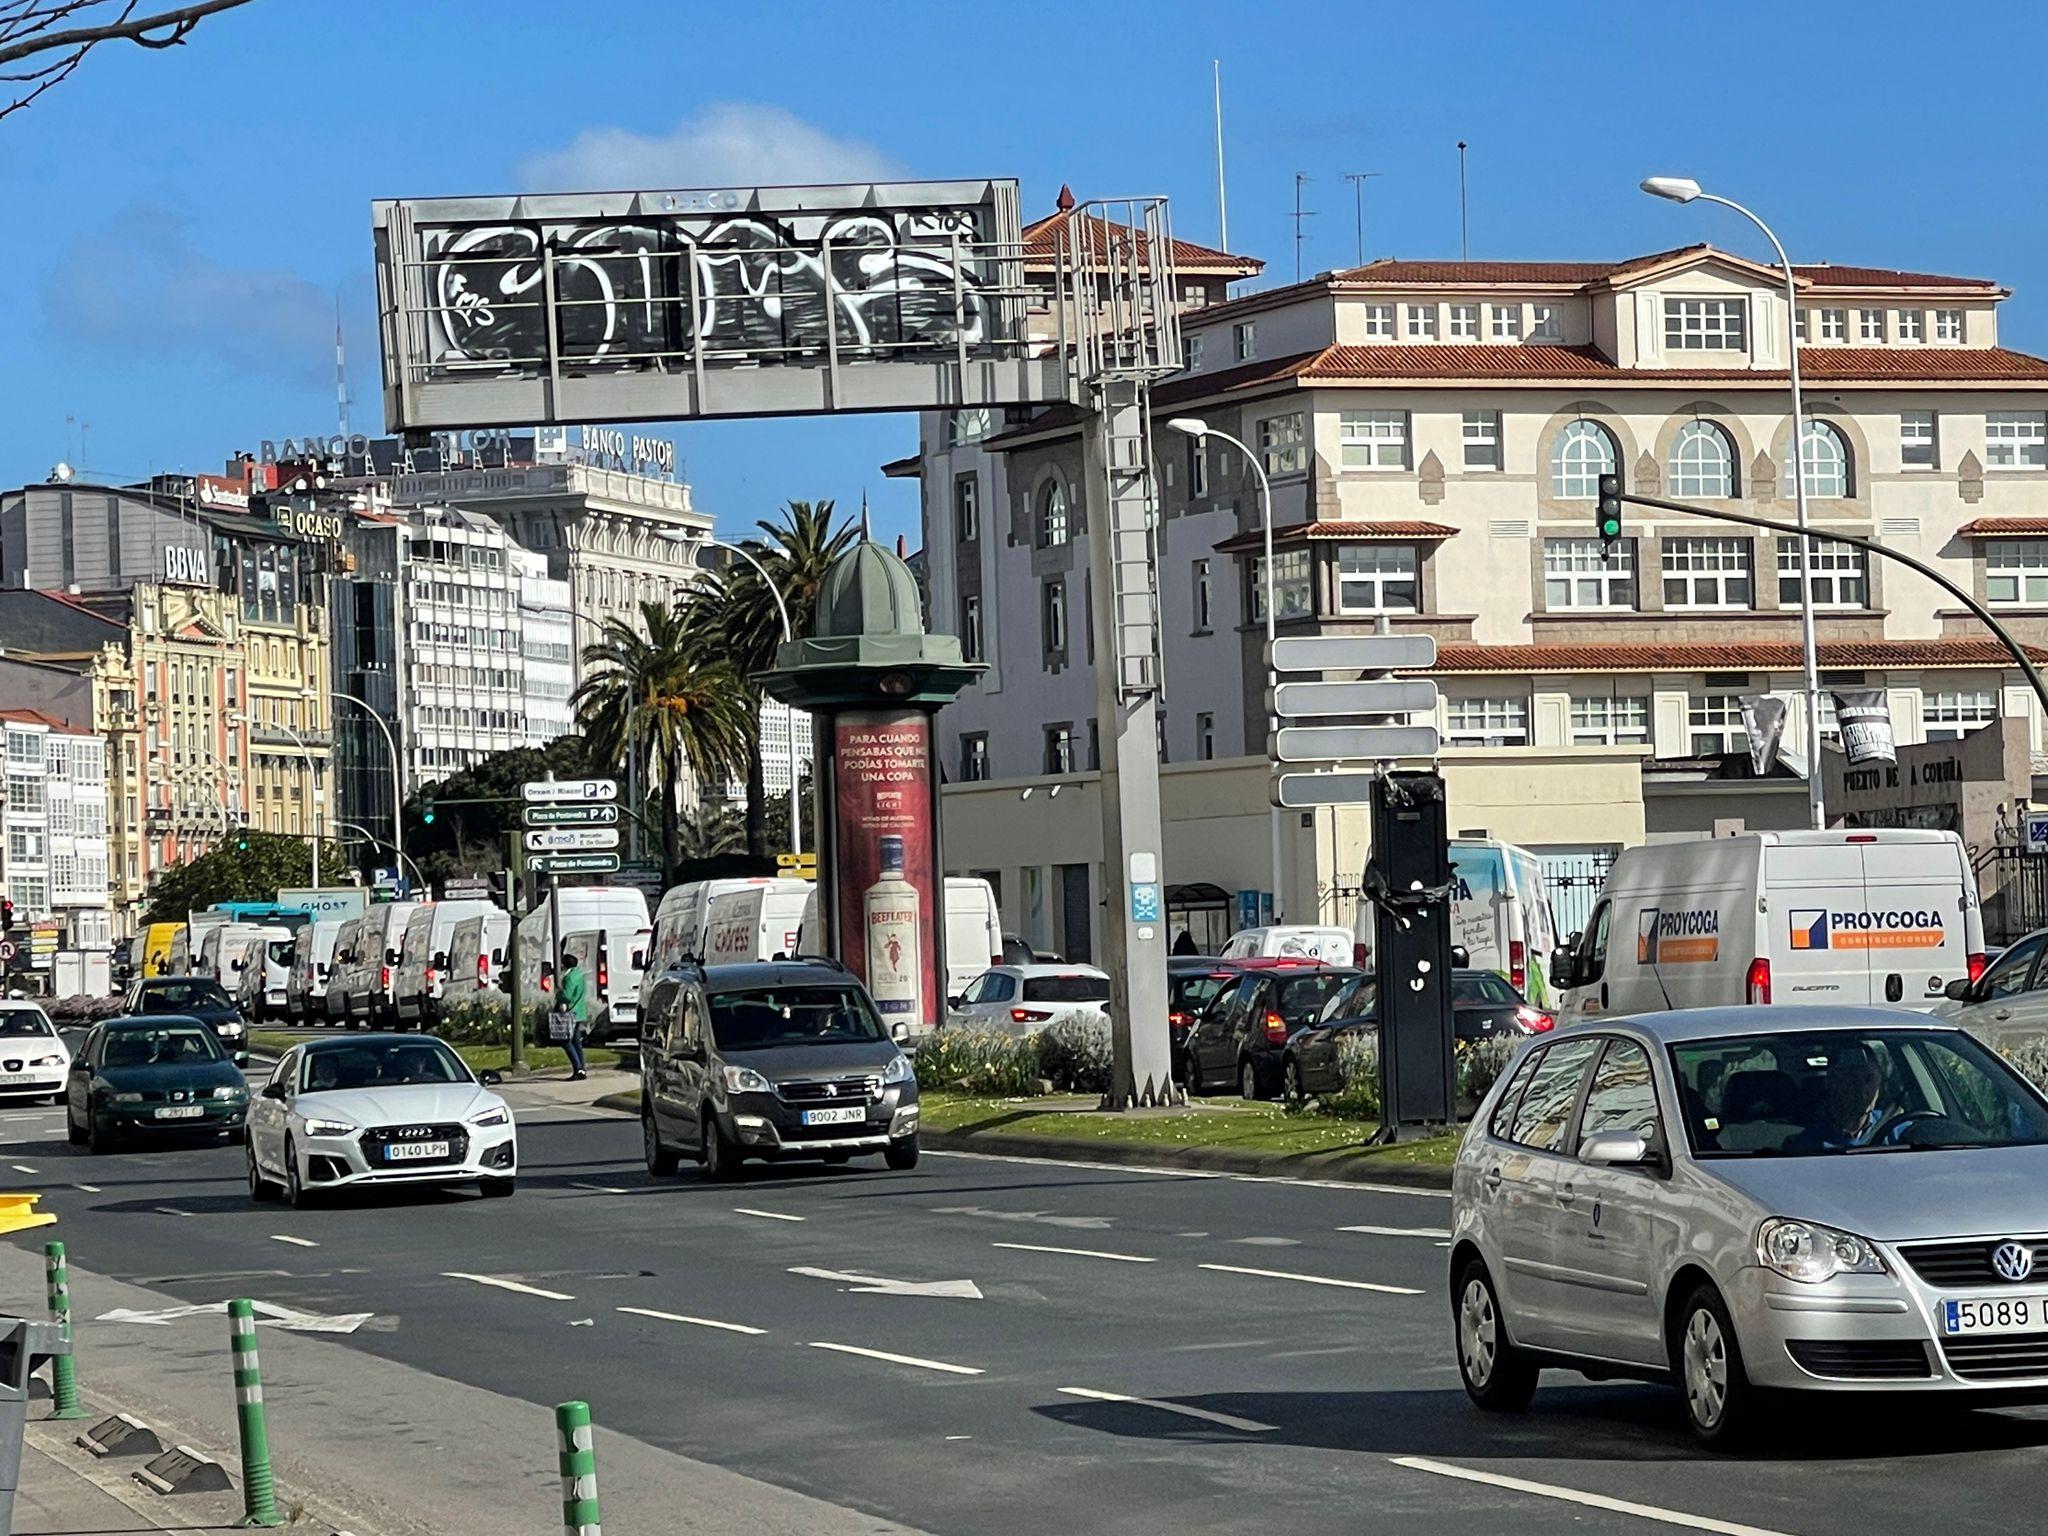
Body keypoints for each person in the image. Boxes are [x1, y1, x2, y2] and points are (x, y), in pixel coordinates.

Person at [557, 953, 590, 1082]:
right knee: (576, 1041)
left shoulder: (569, 977)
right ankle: (581, 1068)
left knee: (566, 1041)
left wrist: (558, 995)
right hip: (579, 1011)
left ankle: (578, 1068)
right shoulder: (579, 974)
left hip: (570, 1012)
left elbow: (567, 996)